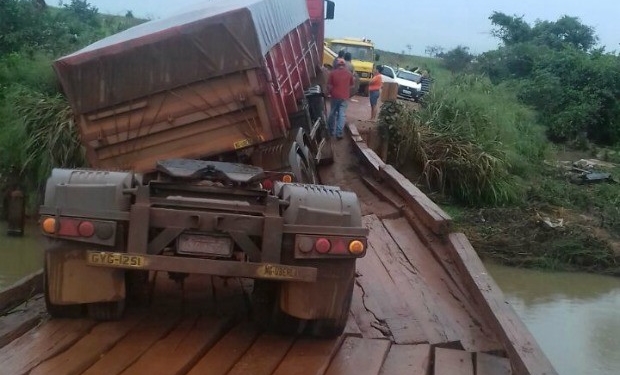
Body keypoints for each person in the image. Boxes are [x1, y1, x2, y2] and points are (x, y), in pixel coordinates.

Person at [327, 58, 355, 140]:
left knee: (332, 113)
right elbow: (352, 86)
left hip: (334, 96)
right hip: (344, 97)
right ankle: (339, 133)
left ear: (337, 65)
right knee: (341, 114)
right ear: (344, 65)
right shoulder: (349, 74)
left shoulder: (332, 73)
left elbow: (329, 85)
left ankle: (330, 131)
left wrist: (330, 92)